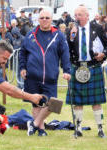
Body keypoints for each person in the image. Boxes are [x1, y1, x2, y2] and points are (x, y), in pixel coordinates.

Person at [19, 9, 71, 137]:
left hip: (50, 76)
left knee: (53, 104)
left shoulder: (58, 35)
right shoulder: (31, 34)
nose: (44, 20)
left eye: (47, 18)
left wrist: (67, 70)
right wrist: (22, 68)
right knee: (36, 104)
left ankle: (34, 124)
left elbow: (65, 54)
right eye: (42, 18)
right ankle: (41, 130)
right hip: (32, 76)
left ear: (51, 19)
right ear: (38, 20)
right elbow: (22, 52)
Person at [66, 5, 107, 138]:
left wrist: (104, 54)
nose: (77, 17)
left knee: (96, 101)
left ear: (86, 16)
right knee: (77, 101)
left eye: (79, 15)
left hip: (93, 67)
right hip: (76, 66)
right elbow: (66, 48)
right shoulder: (71, 30)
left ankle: (100, 128)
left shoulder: (97, 28)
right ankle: (78, 128)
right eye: (75, 15)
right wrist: (72, 36)